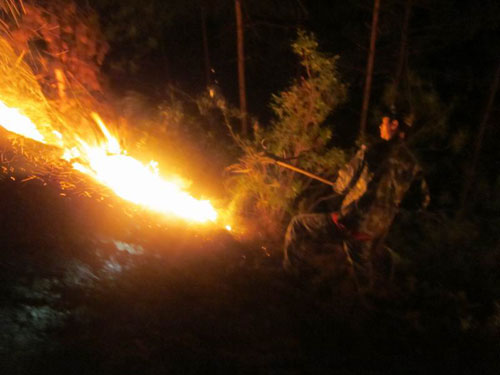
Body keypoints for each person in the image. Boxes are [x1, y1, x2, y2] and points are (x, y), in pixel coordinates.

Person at [283, 116, 429, 284]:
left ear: (394, 125)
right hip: (378, 229)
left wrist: (341, 183)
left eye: (384, 123)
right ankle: (370, 297)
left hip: (352, 222)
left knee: (298, 225)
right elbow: (421, 202)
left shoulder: (371, 150)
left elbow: (342, 186)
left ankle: (290, 277)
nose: (381, 127)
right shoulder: (413, 164)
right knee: (361, 264)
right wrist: (392, 201)